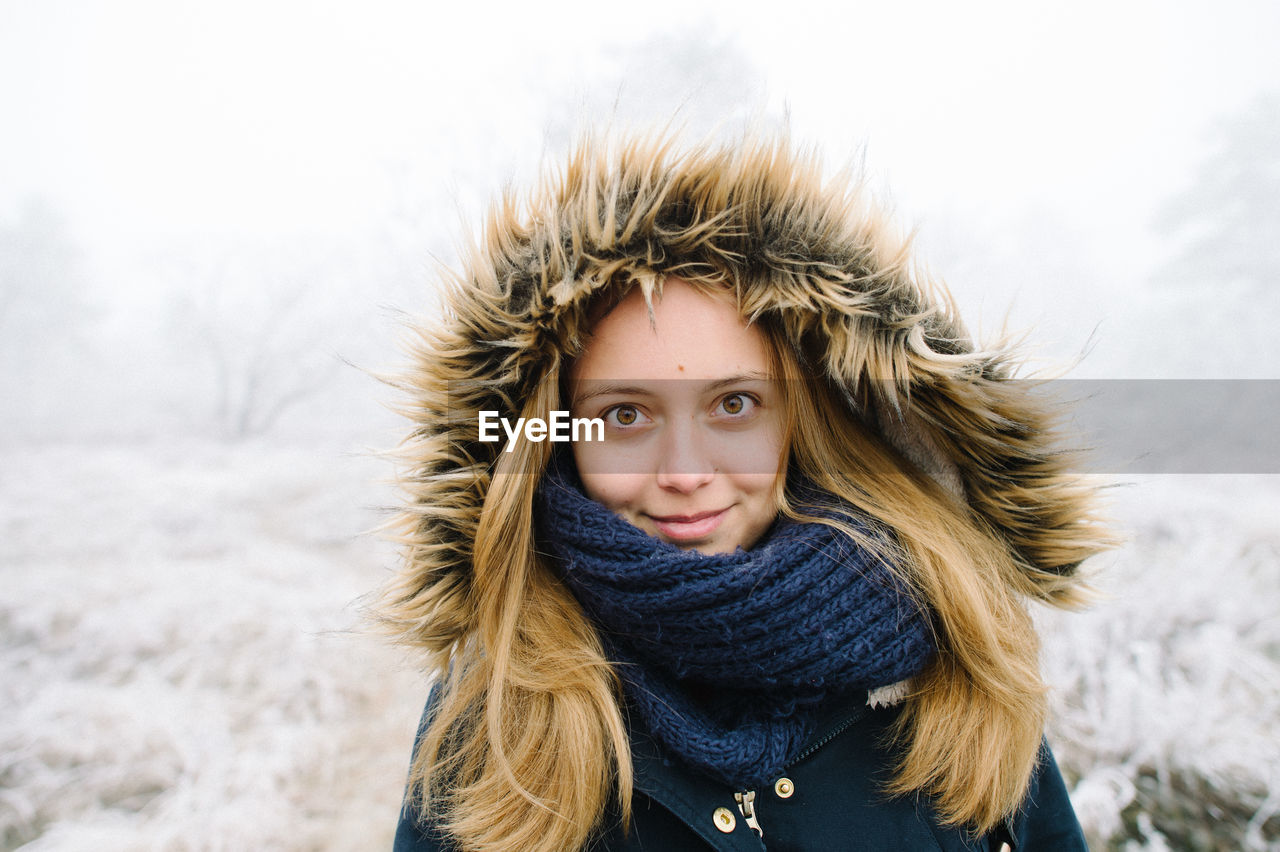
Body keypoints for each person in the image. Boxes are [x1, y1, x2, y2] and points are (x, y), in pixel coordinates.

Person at [378, 133, 1110, 851]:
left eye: (732, 404)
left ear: (802, 417)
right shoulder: (495, 708)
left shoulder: (957, 649)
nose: (687, 472)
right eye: (624, 415)